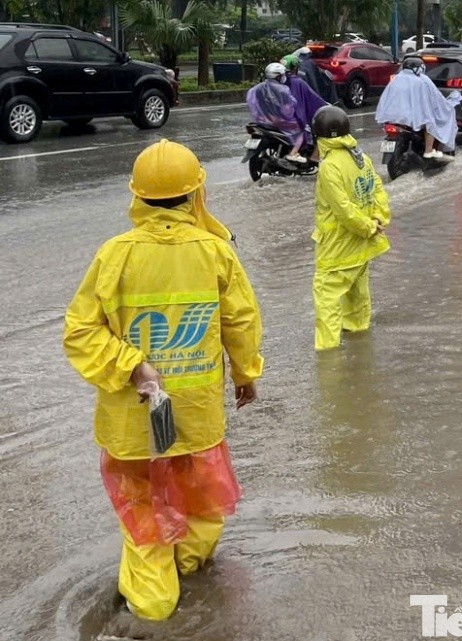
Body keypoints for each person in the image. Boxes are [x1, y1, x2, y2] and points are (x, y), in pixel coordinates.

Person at [64, 139, 264, 621]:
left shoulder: (115, 255)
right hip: (196, 418)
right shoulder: (215, 251)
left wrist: (132, 365)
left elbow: (80, 331)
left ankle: (153, 607)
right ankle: (187, 575)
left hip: (133, 426)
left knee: (143, 519)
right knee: (201, 507)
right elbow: (240, 321)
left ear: (137, 196)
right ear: (197, 192)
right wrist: (246, 374)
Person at [311, 106, 391, 351]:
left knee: (326, 297)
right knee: (357, 295)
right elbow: (377, 190)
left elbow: (343, 209)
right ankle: (359, 341)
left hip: (338, 247)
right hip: (361, 246)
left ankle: (328, 353)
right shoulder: (362, 158)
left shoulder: (329, 166)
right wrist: (377, 219)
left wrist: (368, 227)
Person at [375, 57, 459, 161]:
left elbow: (385, 98)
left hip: (390, 117)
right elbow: (427, 101)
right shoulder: (420, 81)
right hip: (409, 118)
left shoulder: (395, 79)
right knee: (430, 123)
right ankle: (428, 151)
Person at [247, 62, 306, 163]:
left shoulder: (257, 88)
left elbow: (252, 103)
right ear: (278, 77)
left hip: (262, 120)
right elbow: (290, 107)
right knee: (303, 130)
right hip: (278, 122)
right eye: (283, 75)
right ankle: (293, 154)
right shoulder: (283, 90)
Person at [282, 54, 328, 160]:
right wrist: (325, 105)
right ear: (296, 68)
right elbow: (313, 98)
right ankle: (299, 154)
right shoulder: (297, 82)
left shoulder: (279, 81)